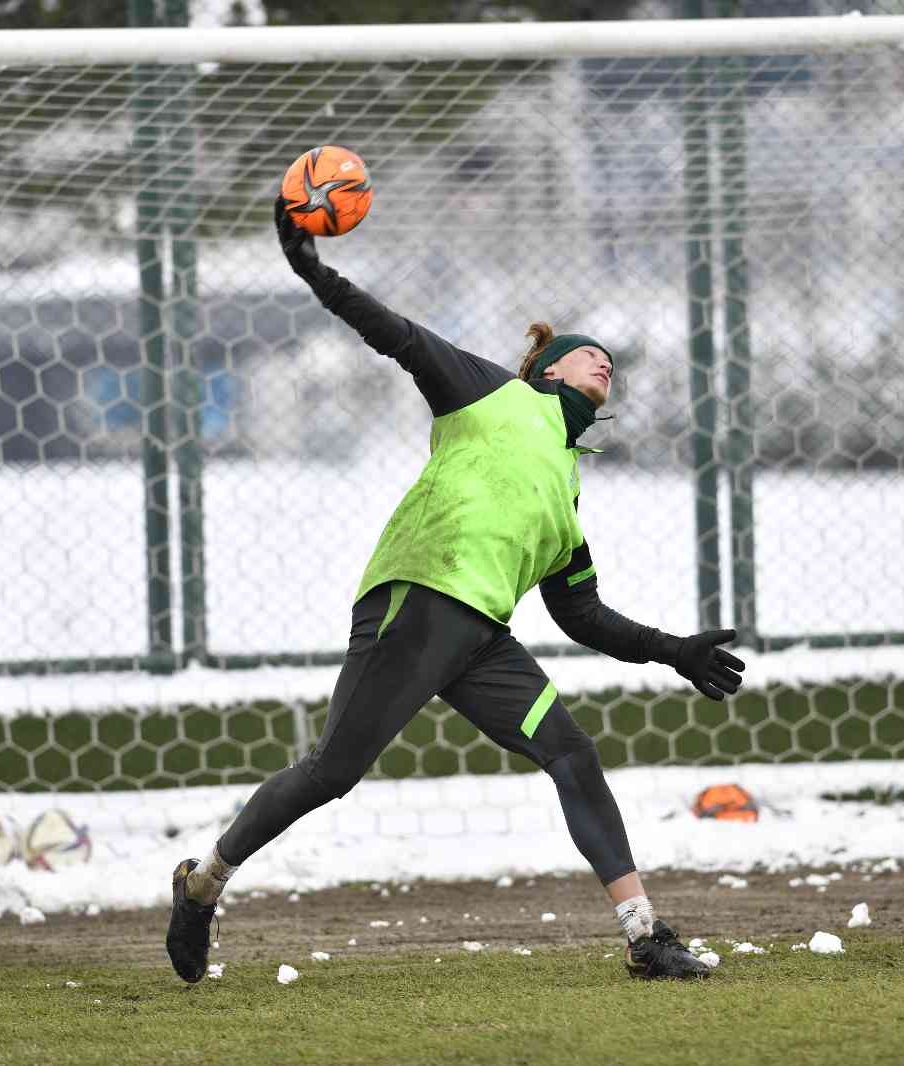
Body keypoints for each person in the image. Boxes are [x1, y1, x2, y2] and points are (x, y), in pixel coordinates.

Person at [165, 198, 746, 983]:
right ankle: (202, 888)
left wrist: (674, 651)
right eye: (588, 354)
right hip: (417, 603)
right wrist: (314, 272)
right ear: (548, 370)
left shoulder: (566, 489)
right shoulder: (493, 395)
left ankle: (645, 935)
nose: (604, 362)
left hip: (479, 644)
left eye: (611, 361)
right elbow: (399, 336)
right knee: (332, 773)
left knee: (572, 753)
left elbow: (582, 615)